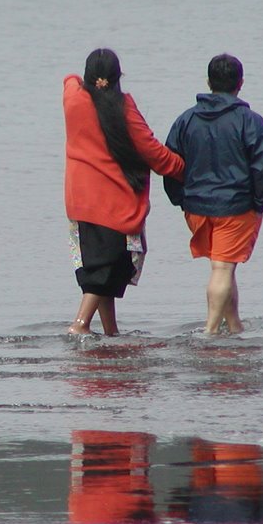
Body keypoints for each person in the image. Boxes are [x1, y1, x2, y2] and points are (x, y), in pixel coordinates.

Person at [64, 48, 184, 336]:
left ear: (89, 78)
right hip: (113, 205)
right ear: (118, 78)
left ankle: (111, 332)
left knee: (100, 268)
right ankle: (80, 325)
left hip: (79, 203)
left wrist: (86, 83)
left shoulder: (72, 99)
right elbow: (154, 153)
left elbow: (68, 79)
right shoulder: (125, 109)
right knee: (110, 269)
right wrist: (184, 169)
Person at [163, 54, 263, 336]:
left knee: (224, 266)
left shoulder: (185, 120)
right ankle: (210, 333)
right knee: (223, 269)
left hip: (196, 207)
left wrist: (181, 200)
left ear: (208, 82)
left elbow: (170, 163)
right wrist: (260, 203)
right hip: (235, 207)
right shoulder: (251, 121)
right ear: (240, 83)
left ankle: (234, 325)